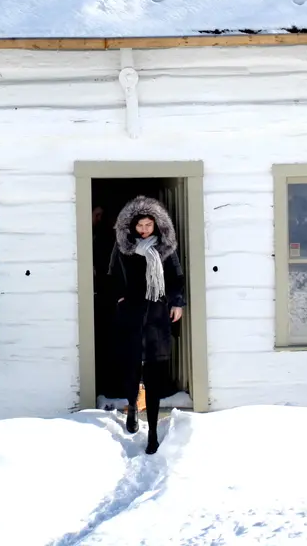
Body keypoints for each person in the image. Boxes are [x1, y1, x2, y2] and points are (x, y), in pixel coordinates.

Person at [107, 195, 185, 455]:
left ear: (156, 225)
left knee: (155, 372)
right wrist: (119, 298)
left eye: (148, 225)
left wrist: (177, 303)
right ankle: (131, 406)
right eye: (140, 225)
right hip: (130, 313)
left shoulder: (165, 249)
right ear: (132, 225)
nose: (143, 230)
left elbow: (176, 277)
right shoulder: (123, 247)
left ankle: (152, 431)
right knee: (131, 367)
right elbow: (112, 275)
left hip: (156, 314)